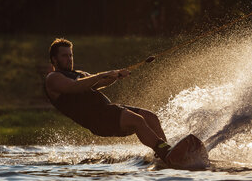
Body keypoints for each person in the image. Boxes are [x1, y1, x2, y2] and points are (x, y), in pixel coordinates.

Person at [44, 38, 175, 165]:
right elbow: (74, 86)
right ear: (54, 59)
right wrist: (100, 75)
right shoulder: (53, 78)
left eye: (71, 55)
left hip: (108, 110)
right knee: (137, 120)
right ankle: (165, 152)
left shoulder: (79, 74)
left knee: (151, 118)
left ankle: (166, 154)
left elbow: (100, 82)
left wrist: (116, 76)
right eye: (64, 56)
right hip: (97, 119)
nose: (69, 59)